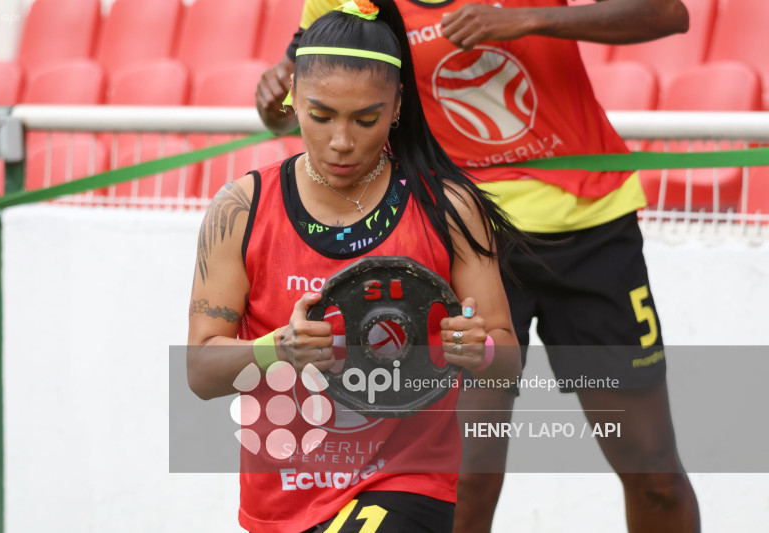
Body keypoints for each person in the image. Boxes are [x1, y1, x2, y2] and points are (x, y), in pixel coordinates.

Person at [255, 1, 700, 532]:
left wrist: (528, 19)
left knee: (652, 472)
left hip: (589, 236)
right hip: (461, 244)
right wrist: (273, 96)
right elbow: (290, 102)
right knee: (464, 479)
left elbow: (667, 14)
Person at [187, 1, 526, 531]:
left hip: (408, 480)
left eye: (365, 119)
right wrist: (282, 349)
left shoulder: (449, 208)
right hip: (282, 498)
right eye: (320, 116)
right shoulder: (241, 208)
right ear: (292, 98)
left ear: (396, 108)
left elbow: (506, 357)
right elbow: (201, 371)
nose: (341, 142)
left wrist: (475, 349)